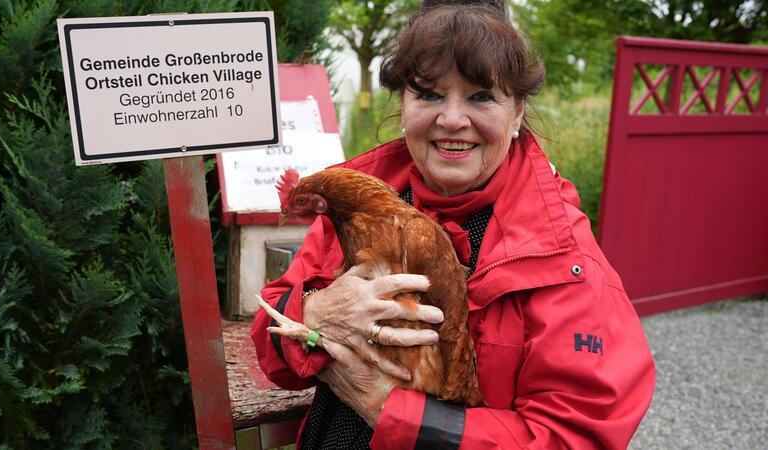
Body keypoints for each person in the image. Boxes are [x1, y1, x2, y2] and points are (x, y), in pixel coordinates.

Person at [251, 0, 655, 448]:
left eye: (481, 96)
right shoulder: (361, 202)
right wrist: (313, 313)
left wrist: (390, 411)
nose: (452, 119)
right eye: (429, 94)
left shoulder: (557, 250)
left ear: (517, 112)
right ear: (403, 104)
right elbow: (270, 346)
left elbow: (576, 436)